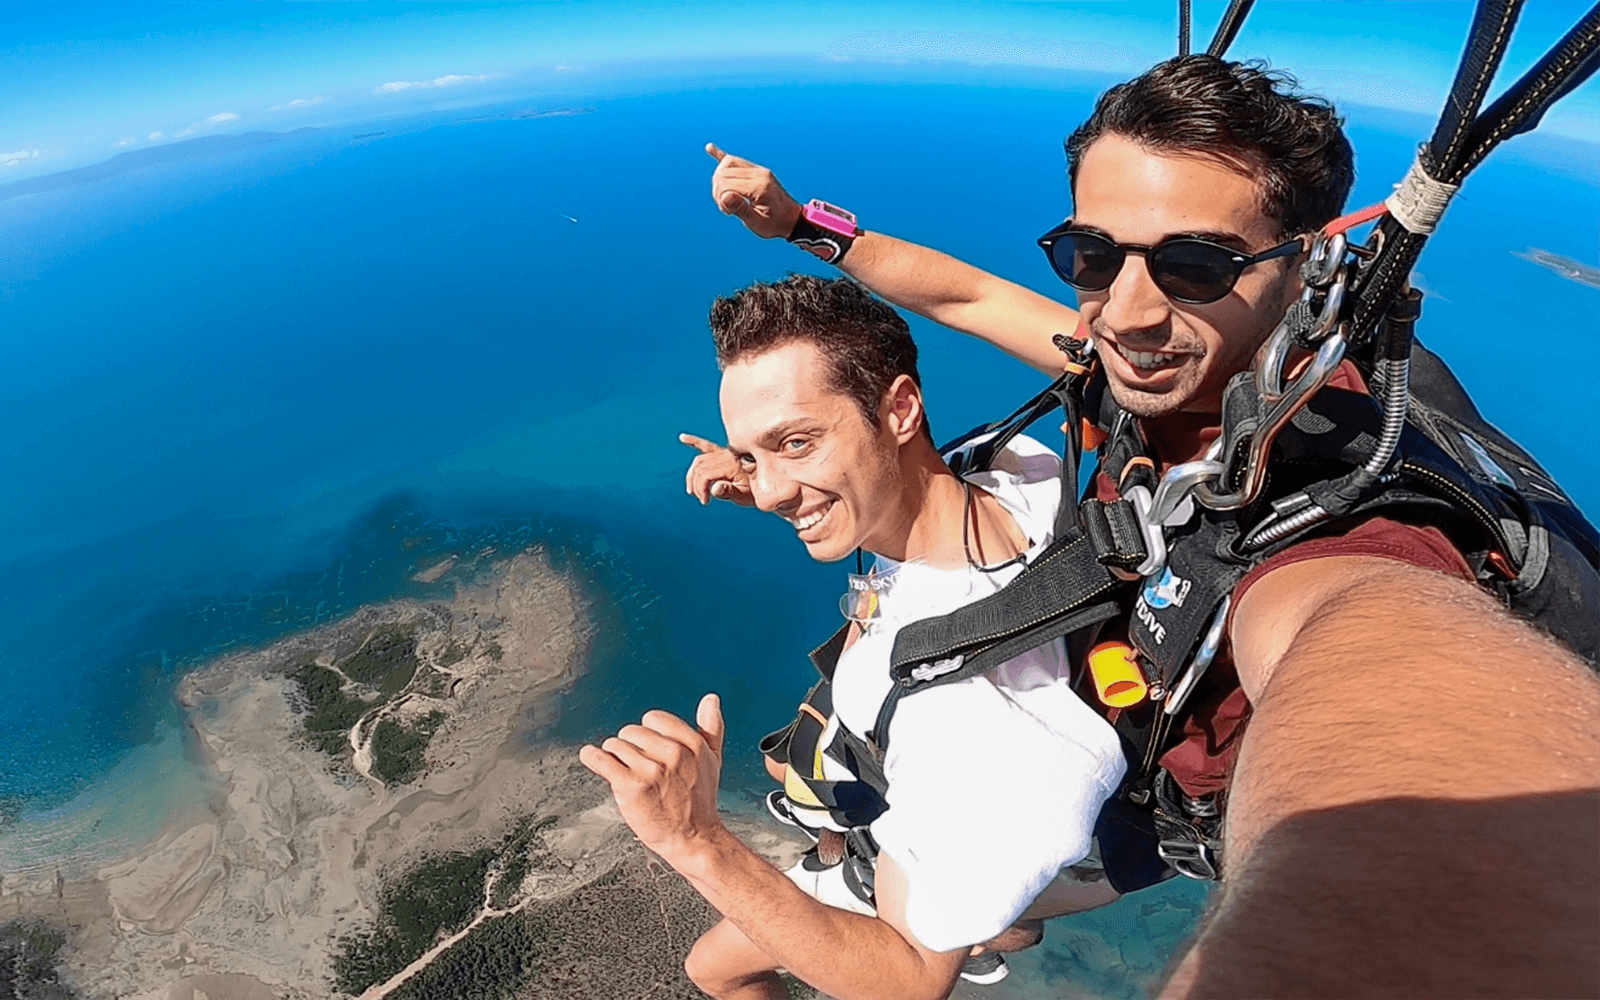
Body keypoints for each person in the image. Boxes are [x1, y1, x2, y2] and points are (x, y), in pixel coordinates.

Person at [700, 56, 1600, 999]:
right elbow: (964, 297)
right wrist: (804, 224)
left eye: (1195, 265)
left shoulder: (1338, 521)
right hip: (1096, 752)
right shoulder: (1166, 375)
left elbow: (1386, 661)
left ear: (1303, 265)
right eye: (1093, 255)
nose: (1125, 313)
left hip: (1115, 823)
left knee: (760, 953)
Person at [581, 274, 1127, 1000]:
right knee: (791, 771)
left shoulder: (968, 725)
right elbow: (980, 306)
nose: (771, 488)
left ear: (900, 408)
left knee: (713, 971)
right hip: (937, 804)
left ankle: (990, 921)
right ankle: (996, 920)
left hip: (913, 865)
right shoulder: (1019, 467)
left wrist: (695, 840)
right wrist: (769, 476)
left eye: (796, 442)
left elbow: (905, 982)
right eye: (755, 454)